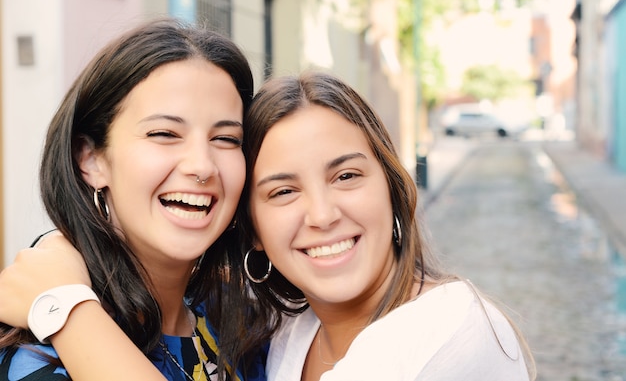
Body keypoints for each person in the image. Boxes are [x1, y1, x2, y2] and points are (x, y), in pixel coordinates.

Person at [0, 71, 536, 380]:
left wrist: (62, 305)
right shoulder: (278, 330)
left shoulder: (443, 335)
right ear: (252, 225)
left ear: (393, 186)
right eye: (282, 190)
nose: (322, 215)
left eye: (347, 175)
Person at [0, 17, 268, 381]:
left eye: (226, 139)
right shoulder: (41, 358)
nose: (202, 167)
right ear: (90, 159)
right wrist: (68, 311)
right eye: (164, 133)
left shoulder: (244, 327)